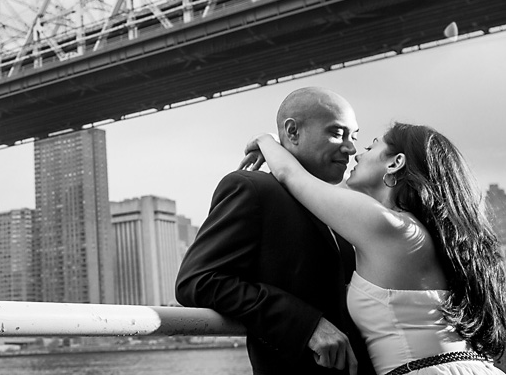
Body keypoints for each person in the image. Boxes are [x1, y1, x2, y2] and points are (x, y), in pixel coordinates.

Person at [242, 121, 506, 375]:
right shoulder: (417, 233)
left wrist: (267, 140)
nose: (356, 155)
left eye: (370, 147)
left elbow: (292, 176)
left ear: (395, 162)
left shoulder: (389, 227)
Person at [176, 87, 375, 375]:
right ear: (292, 132)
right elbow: (198, 281)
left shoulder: (335, 209)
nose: (351, 149)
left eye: (353, 137)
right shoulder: (253, 189)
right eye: (337, 133)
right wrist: (307, 325)